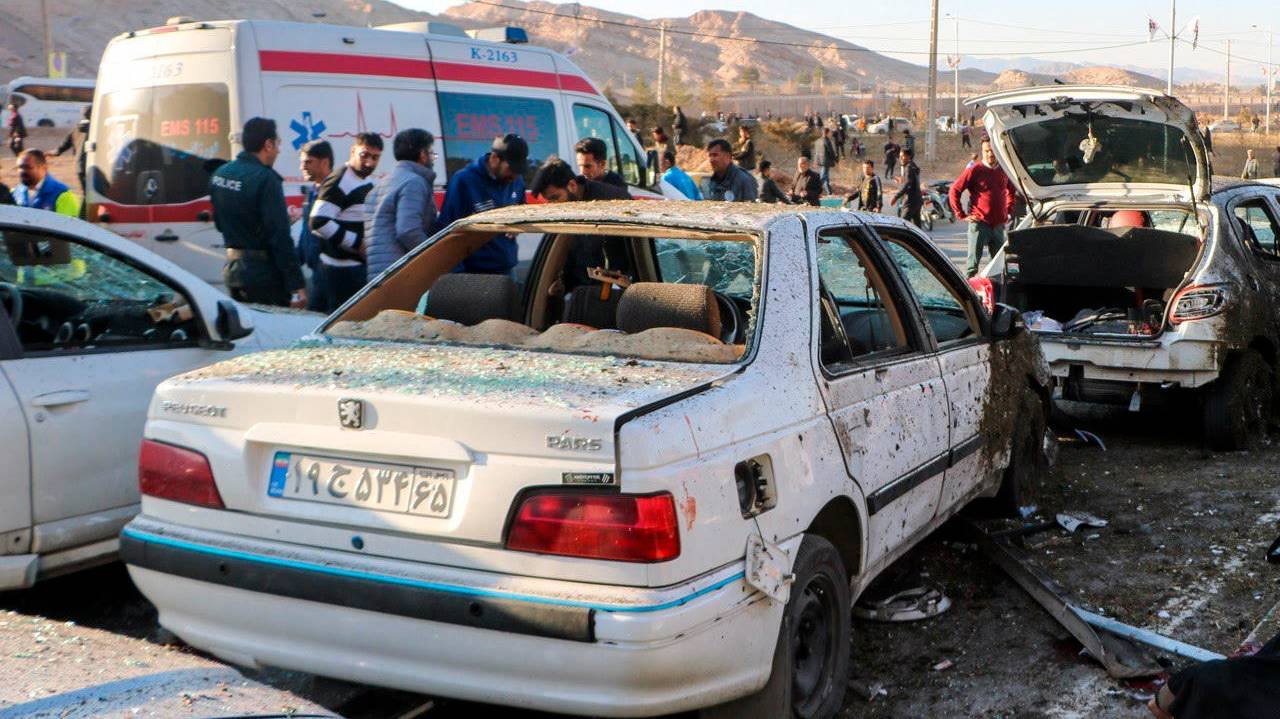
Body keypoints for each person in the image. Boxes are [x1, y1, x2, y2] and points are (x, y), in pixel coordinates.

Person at [208, 117, 306, 308]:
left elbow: (220, 222)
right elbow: (280, 238)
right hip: (263, 275)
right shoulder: (266, 179)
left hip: (233, 270)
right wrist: (297, 285)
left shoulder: (220, 173)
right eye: (277, 144)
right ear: (268, 144)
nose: (278, 150)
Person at [529, 158, 630, 291]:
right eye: (548, 201)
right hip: (579, 288)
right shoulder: (566, 205)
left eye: (555, 198)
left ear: (572, 185)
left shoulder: (611, 201)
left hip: (613, 287)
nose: (553, 206)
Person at [436, 133, 529, 275]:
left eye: (519, 171)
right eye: (511, 169)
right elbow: (447, 231)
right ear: (494, 159)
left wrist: (518, 226)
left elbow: (523, 208)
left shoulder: (516, 180)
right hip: (476, 272)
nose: (515, 176)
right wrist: (458, 276)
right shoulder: (464, 181)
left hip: (507, 268)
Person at [309, 132, 382, 311]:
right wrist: (358, 243)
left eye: (375, 157)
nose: (370, 162)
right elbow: (318, 221)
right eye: (364, 155)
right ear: (353, 151)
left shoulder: (363, 179)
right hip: (341, 272)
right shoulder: (341, 180)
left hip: (349, 269)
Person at [365, 128, 437, 278]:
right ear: (423, 155)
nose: (432, 158)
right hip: (401, 274)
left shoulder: (381, 185)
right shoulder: (414, 183)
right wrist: (434, 255)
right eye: (431, 153)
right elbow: (408, 230)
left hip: (378, 274)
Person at [950, 139, 1019, 277]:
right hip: (979, 223)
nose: (990, 154)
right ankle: (968, 294)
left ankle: (995, 294)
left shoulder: (1004, 170)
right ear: (982, 151)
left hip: (998, 226)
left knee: (998, 267)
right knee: (972, 266)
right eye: (986, 151)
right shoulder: (974, 170)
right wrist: (961, 214)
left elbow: (1012, 192)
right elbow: (954, 190)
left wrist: (1008, 212)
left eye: (992, 151)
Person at [12, 149, 81, 217]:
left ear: (44, 168)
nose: (22, 171)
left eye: (27, 167)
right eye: (20, 167)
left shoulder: (62, 195)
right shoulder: (15, 192)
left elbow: (69, 225)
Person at [52, 105, 90, 194]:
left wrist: (55, 152)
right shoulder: (96, 129)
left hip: (79, 165)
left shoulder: (76, 129)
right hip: (91, 165)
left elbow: (64, 145)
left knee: (86, 194)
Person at [891, 148, 922, 227]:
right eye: (900, 156)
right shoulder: (913, 166)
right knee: (917, 226)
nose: (900, 158)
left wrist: (896, 197)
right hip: (917, 199)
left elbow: (908, 184)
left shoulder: (908, 167)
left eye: (902, 156)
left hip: (911, 201)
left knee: (903, 224)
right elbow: (909, 182)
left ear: (909, 156)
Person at [819, 128, 837, 194]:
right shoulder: (826, 140)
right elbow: (831, 151)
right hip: (826, 161)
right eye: (830, 132)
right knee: (823, 177)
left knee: (824, 176)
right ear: (827, 133)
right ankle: (818, 189)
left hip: (823, 161)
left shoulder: (820, 140)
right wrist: (835, 158)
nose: (831, 134)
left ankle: (828, 191)